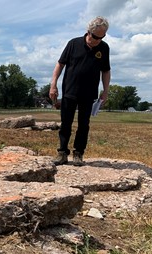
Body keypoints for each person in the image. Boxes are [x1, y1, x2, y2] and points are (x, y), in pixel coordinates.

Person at [49, 16, 111, 166]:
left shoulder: (104, 48)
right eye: (96, 37)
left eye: (102, 37)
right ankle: (62, 153)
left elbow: (106, 71)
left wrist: (105, 91)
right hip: (70, 90)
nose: (98, 40)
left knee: (84, 124)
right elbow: (60, 64)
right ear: (88, 32)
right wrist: (53, 84)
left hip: (89, 93)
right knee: (66, 123)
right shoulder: (73, 43)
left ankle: (78, 153)